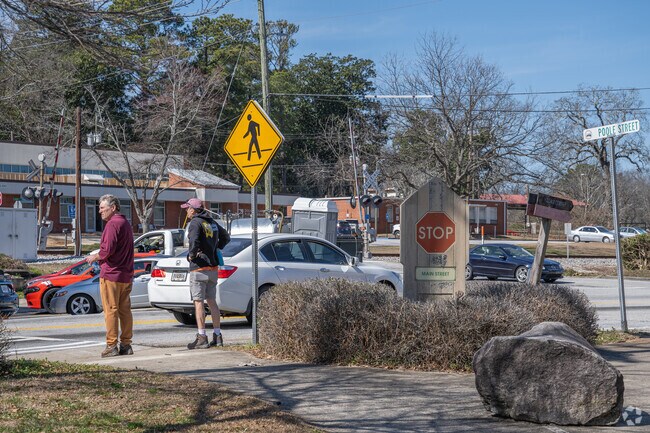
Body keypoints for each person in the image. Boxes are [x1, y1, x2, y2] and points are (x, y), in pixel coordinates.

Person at [86, 194, 134, 358]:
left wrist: (95, 257)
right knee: (124, 310)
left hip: (112, 274)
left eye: (102, 208)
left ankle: (111, 345)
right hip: (126, 275)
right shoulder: (125, 223)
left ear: (113, 208)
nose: (100, 211)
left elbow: (107, 250)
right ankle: (126, 344)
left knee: (111, 310)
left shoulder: (112, 224)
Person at [182, 197, 224, 349]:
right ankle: (217, 336)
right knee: (212, 302)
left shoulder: (195, 222)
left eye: (187, 208)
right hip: (213, 268)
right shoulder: (212, 222)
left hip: (199, 268)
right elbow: (226, 237)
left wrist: (192, 255)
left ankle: (202, 337)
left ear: (193, 209)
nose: (186, 211)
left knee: (198, 302)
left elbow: (194, 241)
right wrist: (213, 249)